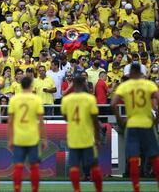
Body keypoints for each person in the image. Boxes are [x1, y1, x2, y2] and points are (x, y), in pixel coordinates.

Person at [111, 63, 159, 192]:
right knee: (154, 155)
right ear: (141, 73)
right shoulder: (149, 85)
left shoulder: (125, 86)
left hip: (132, 124)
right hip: (147, 123)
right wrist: (156, 119)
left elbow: (113, 103)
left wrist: (120, 120)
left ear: (131, 72)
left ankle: (136, 188)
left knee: (133, 156)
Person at [61, 76, 103, 192]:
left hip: (73, 138)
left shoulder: (66, 100)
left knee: (74, 167)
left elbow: (65, 117)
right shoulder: (89, 99)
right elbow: (95, 120)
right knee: (94, 165)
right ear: (84, 83)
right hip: (87, 137)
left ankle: (77, 190)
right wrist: (98, 138)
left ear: (73, 84)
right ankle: (99, 189)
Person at [7, 76, 47, 192]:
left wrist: (10, 139)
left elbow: (10, 122)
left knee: (18, 166)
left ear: (21, 85)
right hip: (33, 138)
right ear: (31, 85)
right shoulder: (36, 99)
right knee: (34, 167)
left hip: (18, 138)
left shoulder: (14, 99)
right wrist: (44, 139)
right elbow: (41, 121)